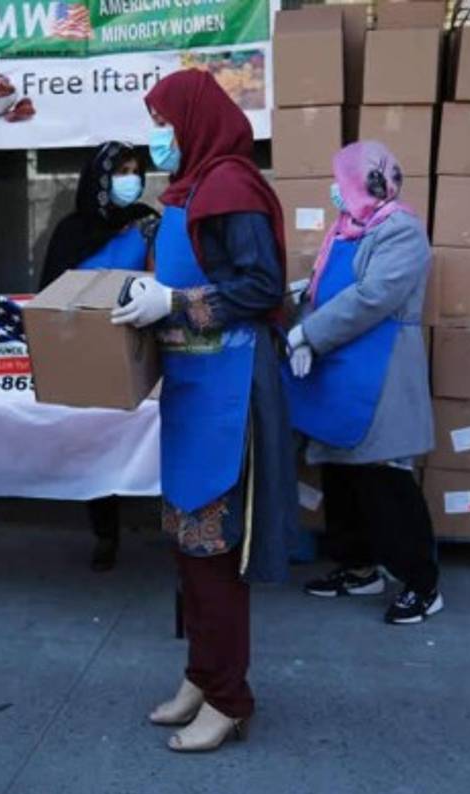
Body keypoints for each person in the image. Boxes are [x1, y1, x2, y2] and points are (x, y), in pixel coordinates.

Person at [111, 70, 300, 753]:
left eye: (163, 121)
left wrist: (176, 304)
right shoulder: (188, 188)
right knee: (189, 547)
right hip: (193, 388)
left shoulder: (229, 186)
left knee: (216, 551)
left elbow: (261, 284)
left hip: (230, 390)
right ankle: (201, 672)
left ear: (193, 119)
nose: (158, 135)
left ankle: (230, 697)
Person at [283, 141, 443, 625]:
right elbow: (328, 285)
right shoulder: (348, 228)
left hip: (381, 370)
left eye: (341, 179)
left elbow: (375, 297)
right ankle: (358, 568)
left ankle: (422, 583)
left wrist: (308, 332)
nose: (335, 189)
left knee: (384, 479)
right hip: (340, 368)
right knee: (342, 473)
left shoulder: (401, 231)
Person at [40, 140, 159, 571]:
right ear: (100, 178)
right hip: (83, 352)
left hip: (139, 347)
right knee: (94, 442)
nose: (132, 179)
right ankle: (105, 534)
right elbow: (49, 294)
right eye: (121, 171)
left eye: (135, 170)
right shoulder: (72, 230)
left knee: (148, 439)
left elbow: (161, 275)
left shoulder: (147, 223)